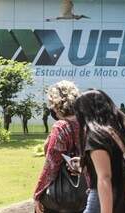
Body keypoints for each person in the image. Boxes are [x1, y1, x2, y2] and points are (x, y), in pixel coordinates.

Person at [73, 89, 125, 213]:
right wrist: (87, 161)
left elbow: (105, 177)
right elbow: (115, 160)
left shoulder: (95, 136)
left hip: (103, 199)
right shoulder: (117, 131)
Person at [34, 80, 81, 213]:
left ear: (56, 104)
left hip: (63, 196)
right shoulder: (86, 123)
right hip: (88, 191)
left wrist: (37, 194)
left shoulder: (61, 127)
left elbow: (51, 165)